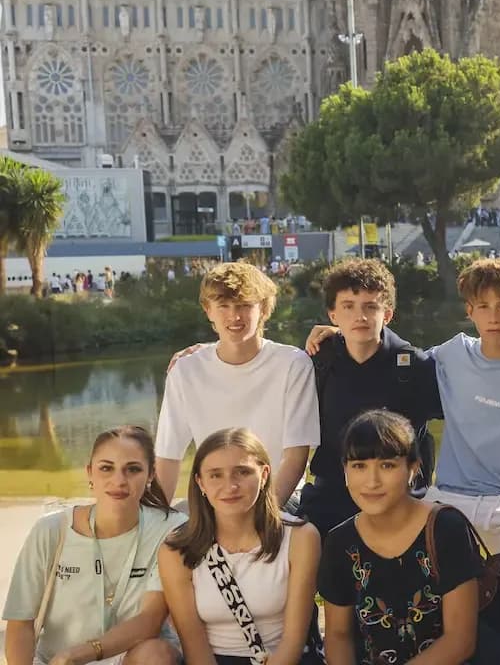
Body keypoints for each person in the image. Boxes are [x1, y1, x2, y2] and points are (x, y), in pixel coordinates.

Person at [305, 258, 500, 611]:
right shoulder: (450, 355)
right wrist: (336, 334)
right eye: (483, 307)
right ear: (470, 311)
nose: (494, 317)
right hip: (447, 494)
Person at [4, 426, 185, 665]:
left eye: (133, 469)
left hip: (126, 657)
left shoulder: (171, 528)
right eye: (106, 468)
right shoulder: (50, 530)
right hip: (56, 661)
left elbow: (150, 619)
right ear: (90, 473)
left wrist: (81, 653)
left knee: (157, 655)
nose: (119, 481)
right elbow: (20, 624)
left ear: (151, 474)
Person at [319, 410, 483, 665]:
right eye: (359, 466)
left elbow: (460, 639)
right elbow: (338, 636)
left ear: (413, 468)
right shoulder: (340, 542)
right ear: (345, 471)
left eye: (387, 465)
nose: (372, 482)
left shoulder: (445, 528)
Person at [155, 262, 320, 507]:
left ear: (264, 308)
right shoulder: (186, 370)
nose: (234, 316)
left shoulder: (293, 364)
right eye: (223, 306)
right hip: (214, 500)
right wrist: (156, 521)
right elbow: (168, 455)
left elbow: (295, 456)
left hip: (278, 500)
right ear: (208, 310)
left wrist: (265, 517)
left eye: (244, 305)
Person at [298, 259, 441, 537]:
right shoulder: (318, 361)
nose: (359, 317)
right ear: (332, 315)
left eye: (370, 307)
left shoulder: (414, 366)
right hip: (333, 495)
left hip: (399, 496)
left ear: (387, 314)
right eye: (348, 307)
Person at [158, 428, 321, 665]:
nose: (230, 485)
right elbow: (194, 645)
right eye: (215, 475)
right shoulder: (176, 549)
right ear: (200, 482)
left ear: (264, 474)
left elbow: (293, 643)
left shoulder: (301, 538)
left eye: (242, 472)